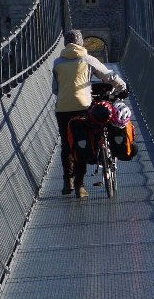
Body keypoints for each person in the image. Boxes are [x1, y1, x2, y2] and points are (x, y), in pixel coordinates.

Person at [52, 30, 124, 198]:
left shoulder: (57, 62)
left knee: (67, 145)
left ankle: (67, 182)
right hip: (82, 107)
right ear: (81, 43)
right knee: (82, 143)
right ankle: (80, 186)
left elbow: (55, 89)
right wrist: (122, 87)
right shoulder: (88, 59)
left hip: (62, 108)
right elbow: (109, 76)